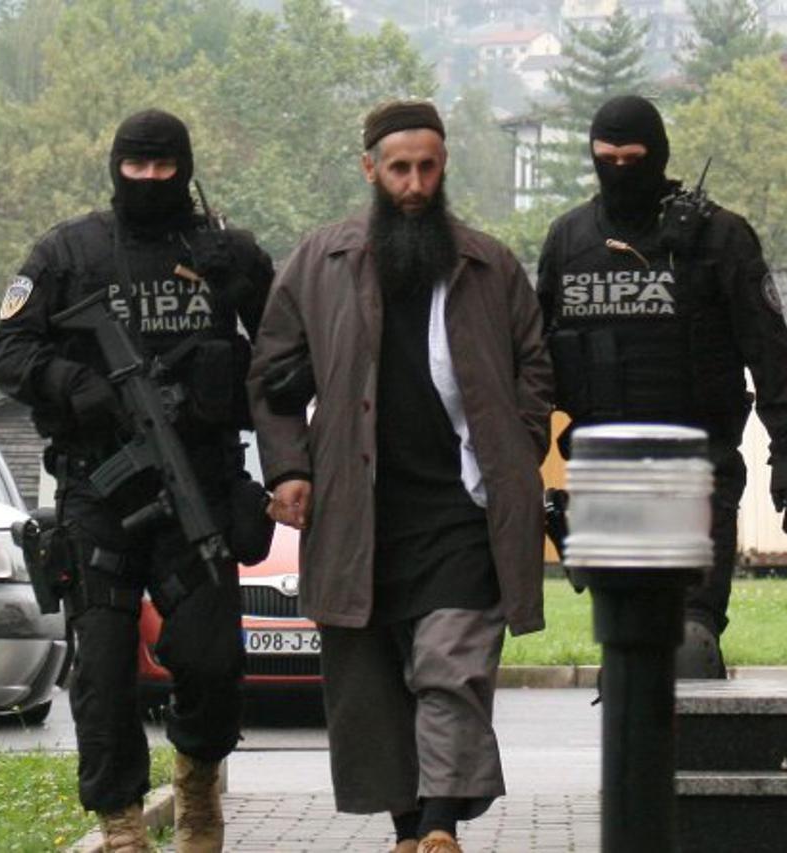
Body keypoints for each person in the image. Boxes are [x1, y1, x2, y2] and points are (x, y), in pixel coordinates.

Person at [247, 100, 553, 853]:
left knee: (451, 666)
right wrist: (289, 468)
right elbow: (271, 373)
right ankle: (408, 831)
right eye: (400, 169)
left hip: (465, 511)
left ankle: (440, 825)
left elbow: (535, 367)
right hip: (359, 512)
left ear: (444, 167)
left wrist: (516, 446)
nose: (415, 185)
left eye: (428, 168)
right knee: (374, 681)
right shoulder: (321, 262)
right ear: (369, 170)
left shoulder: (489, 265)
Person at [0, 108, 274, 853]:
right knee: (105, 669)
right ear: (115, 166)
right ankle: (119, 821)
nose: (148, 180)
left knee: (212, 659)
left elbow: (283, 356)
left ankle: (198, 780)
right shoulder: (68, 252)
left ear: (186, 168)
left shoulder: (227, 252)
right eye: (135, 166)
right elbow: (7, 350)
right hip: (99, 490)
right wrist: (70, 381)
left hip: (199, 486)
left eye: (163, 167)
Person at [537, 94, 787, 678]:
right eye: (606, 159)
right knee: (627, 650)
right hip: (604, 480)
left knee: (687, 647)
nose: (620, 171)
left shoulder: (719, 239)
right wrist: (513, 469)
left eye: (633, 158)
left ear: (659, 155)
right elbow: (533, 368)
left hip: (697, 472)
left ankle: (691, 739)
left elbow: (771, 356)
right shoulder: (568, 242)